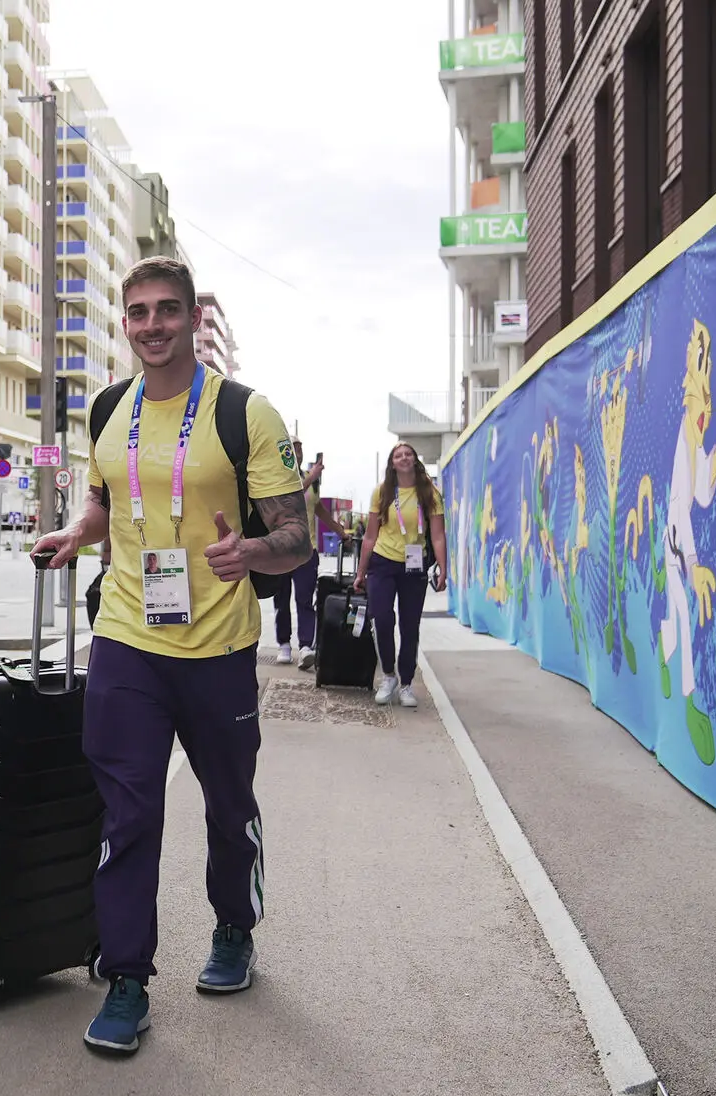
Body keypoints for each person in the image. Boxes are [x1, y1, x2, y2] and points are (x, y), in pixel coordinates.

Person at [33, 257, 311, 1055]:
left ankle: (233, 927)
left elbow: (298, 538)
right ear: (125, 322)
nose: (152, 325)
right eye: (139, 312)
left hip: (219, 644)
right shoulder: (108, 409)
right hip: (127, 635)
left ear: (193, 319)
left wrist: (252, 549)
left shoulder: (246, 414)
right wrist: (75, 533)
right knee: (128, 811)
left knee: (228, 804)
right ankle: (126, 976)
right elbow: (103, 498)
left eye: (168, 311)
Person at [352, 442, 450, 708]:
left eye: (408, 454)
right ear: (392, 463)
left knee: (410, 626)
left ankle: (406, 683)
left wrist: (443, 567)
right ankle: (388, 676)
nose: (404, 458)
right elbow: (370, 535)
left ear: (415, 460)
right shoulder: (382, 492)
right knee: (382, 619)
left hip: (414, 565)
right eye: (398, 455)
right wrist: (361, 572)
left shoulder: (429, 492)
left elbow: (438, 535)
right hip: (382, 563)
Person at [268, 446, 346, 670]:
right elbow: (291, 495)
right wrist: (313, 476)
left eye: (300, 449)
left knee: (305, 599)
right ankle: (283, 643)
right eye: (292, 448)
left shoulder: (308, 481)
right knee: (281, 600)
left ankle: (305, 647)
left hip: (307, 550)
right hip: (281, 549)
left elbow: (318, 509)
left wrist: (340, 531)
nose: (297, 452)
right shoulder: (276, 478)